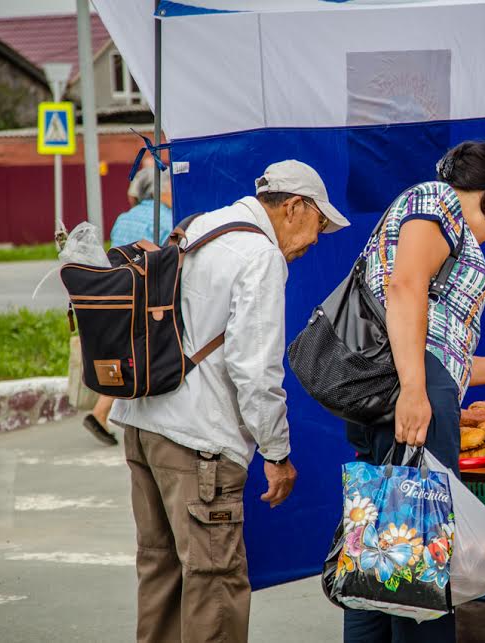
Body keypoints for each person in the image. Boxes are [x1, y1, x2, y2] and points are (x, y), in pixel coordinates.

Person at [110, 159, 351, 642]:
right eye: (318, 225)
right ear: (294, 207)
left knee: (160, 574)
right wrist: (277, 453)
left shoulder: (200, 226)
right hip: (198, 442)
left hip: (143, 427)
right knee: (214, 584)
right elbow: (256, 371)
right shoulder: (259, 256)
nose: (316, 240)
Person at [343, 141, 485, 643]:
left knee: (381, 551)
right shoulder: (435, 201)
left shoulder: (434, 212)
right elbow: (405, 288)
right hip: (411, 386)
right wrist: (416, 392)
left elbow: (439, 343)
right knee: (418, 555)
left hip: (402, 379)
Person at [82, 170, 175, 446]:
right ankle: (113, 414)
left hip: (117, 294)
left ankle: (102, 413)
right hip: (149, 297)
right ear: (162, 191)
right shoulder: (167, 219)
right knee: (141, 354)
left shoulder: (124, 218)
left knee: (126, 352)